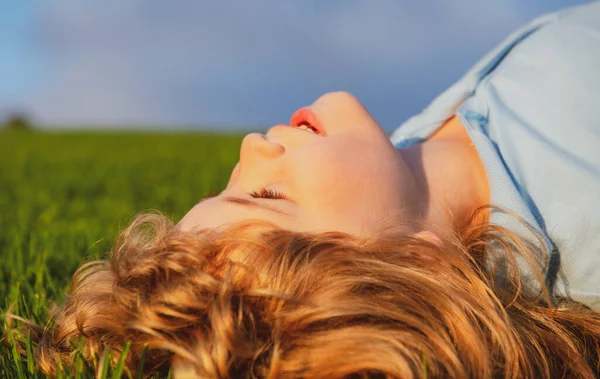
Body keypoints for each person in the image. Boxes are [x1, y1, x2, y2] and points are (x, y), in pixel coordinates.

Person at [8, 2, 600, 378]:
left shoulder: (414, 160)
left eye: (231, 185)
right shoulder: (577, 189)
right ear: (420, 265)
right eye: (267, 197)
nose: (249, 148)